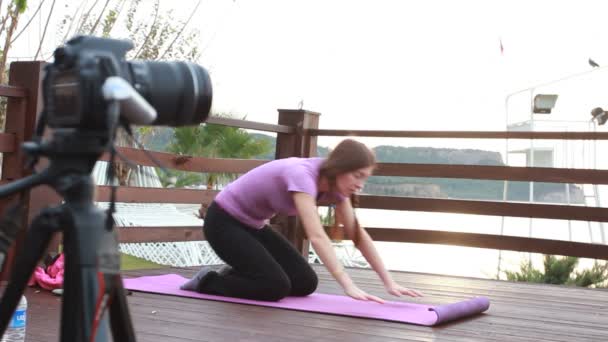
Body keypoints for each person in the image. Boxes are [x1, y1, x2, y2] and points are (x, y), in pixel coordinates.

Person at [181, 138, 423, 303]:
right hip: (223, 221)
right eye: (357, 175)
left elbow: (358, 235)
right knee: (275, 286)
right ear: (340, 167)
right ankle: (209, 281)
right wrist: (347, 285)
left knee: (305, 283)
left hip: (253, 226)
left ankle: (242, 271)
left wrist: (389, 282)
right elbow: (316, 235)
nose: (360, 184)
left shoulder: (337, 188)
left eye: (365, 178)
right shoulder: (303, 175)